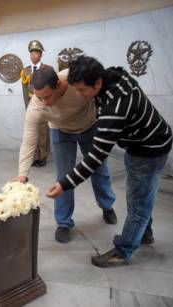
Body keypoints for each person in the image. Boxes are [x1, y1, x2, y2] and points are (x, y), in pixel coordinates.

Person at [47, 56, 172, 267]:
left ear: (97, 83)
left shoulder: (115, 106)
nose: (79, 95)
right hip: (144, 142)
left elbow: (96, 157)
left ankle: (123, 252)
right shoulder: (113, 75)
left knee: (138, 205)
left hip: (148, 150)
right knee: (141, 195)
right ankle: (144, 235)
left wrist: (64, 184)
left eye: (82, 90)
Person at [13, 65, 117, 243]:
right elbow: (29, 140)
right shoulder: (36, 106)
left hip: (89, 127)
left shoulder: (74, 79)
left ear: (59, 85)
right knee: (63, 177)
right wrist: (23, 174)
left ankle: (107, 206)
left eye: (47, 96)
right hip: (61, 132)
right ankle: (63, 223)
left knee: (99, 169)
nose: (43, 102)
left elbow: (102, 86)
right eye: (39, 97)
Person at [20, 40, 51, 167]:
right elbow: (24, 91)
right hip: (31, 104)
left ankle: (43, 156)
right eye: (32, 53)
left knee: (43, 131)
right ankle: (35, 157)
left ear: (41, 55)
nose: (34, 56)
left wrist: (48, 104)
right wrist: (28, 106)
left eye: (37, 53)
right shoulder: (25, 71)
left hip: (43, 103)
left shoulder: (47, 69)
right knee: (32, 132)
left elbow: (52, 88)